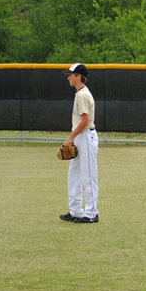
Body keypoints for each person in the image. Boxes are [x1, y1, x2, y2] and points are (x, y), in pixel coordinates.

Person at [60, 63, 99, 223]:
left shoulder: (82, 95)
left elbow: (85, 120)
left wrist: (70, 138)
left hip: (86, 137)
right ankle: (76, 211)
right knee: (74, 175)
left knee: (88, 176)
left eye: (71, 74)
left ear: (79, 76)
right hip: (80, 137)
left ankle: (92, 214)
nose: (68, 77)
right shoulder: (79, 94)